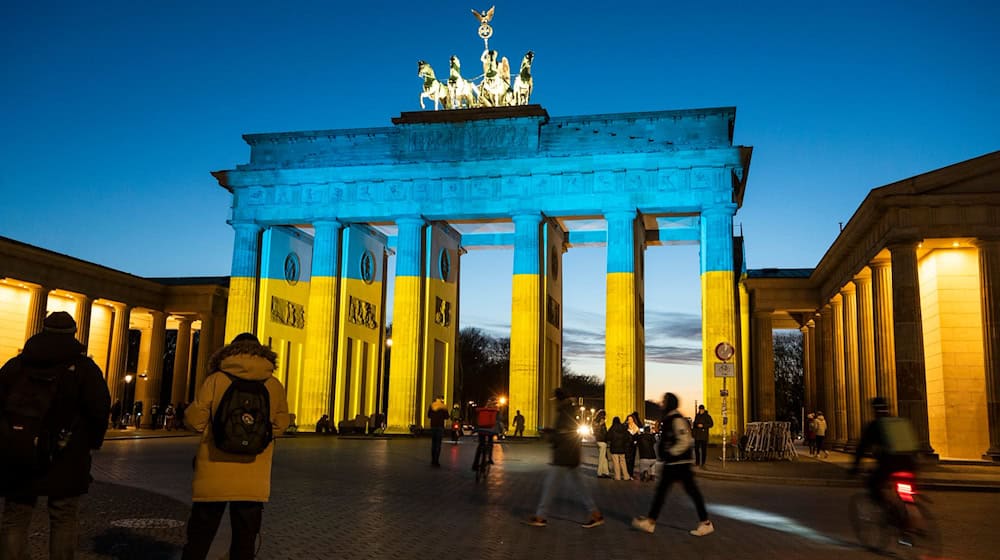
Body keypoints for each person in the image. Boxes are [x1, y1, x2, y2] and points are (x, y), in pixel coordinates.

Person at [0, 311, 111, 559]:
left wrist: (7, 438)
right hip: (67, 452)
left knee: (16, 515)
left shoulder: (17, 364)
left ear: (42, 330)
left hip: (20, 450)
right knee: (63, 517)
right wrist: (91, 442)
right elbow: (99, 408)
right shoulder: (84, 368)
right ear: (74, 333)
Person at [180, 333, 290, 560]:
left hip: (214, 468)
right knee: (245, 541)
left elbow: (194, 421)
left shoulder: (216, 379)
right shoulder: (273, 385)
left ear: (231, 350)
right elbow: (281, 425)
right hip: (253, 473)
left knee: (200, 538)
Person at [632, 392, 714, 537]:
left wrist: (670, 452)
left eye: (664, 401)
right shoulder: (670, 419)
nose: (662, 403)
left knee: (684, 493)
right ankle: (651, 522)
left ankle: (705, 523)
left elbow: (685, 440)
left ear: (670, 403)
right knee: (666, 492)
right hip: (674, 463)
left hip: (679, 463)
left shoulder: (676, 420)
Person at [525, 388, 604, 528]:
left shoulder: (564, 412)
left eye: (554, 400)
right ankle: (595, 513)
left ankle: (541, 516)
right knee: (580, 487)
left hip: (564, 455)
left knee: (550, 487)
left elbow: (565, 433)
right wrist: (552, 431)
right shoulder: (569, 410)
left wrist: (551, 436)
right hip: (571, 455)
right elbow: (567, 431)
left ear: (558, 399)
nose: (553, 403)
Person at [850, 397, 919, 514]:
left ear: (873, 410)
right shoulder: (900, 421)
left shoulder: (875, 425)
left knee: (873, 485)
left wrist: (855, 467)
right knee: (907, 495)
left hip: (890, 464)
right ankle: (914, 518)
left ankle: (891, 511)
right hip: (910, 463)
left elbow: (862, 448)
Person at [471, 399, 499, 471]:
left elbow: (477, 420)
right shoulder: (495, 411)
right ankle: (489, 458)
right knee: (490, 443)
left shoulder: (481, 410)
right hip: (490, 430)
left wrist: (474, 429)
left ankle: (475, 464)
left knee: (480, 445)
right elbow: (498, 422)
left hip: (481, 429)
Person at [607, 416, 631, 481]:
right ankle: (626, 476)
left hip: (614, 448)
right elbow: (627, 437)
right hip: (622, 448)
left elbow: (608, 437)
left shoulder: (612, 428)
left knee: (616, 463)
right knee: (623, 462)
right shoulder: (623, 428)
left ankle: (617, 477)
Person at [427, 396, 449, 467]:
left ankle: (432, 460)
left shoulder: (432, 405)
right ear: (441, 400)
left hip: (433, 426)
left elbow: (429, 415)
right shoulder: (444, 406)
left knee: (433, 443)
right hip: (440, 426)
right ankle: (436, 461)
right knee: (438, 444)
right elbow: (447, 417)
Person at [692, 404, 714, 468]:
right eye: (700, 409)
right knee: (696, 449)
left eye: (702, 409)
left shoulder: (707, 416)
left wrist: (703, 425)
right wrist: (695, 429)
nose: (701, 411)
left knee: (703, 450)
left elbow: (711, 424)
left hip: (704, 436)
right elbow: (694, 424)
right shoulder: (697, 416)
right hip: (697, 436)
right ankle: (697, 462)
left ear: (704, 410)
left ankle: (703, 462)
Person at [593, 410, 611, 478]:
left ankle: (606, 472)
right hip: (603, 441)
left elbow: (595, 432)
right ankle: (599, 473)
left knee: (604, 458)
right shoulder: (602, 421)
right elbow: (604, 433)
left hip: (598, 441)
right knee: (602, 458)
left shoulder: (594, 422)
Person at [625, 412, 641, 479]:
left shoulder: (636, 428)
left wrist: (636, 441)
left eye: (631, 419)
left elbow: (638, 437)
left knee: (632, 460)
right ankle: (627, 474)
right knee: (627, 460)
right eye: (629, 419)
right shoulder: (625, 427)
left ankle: (631, 474)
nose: (630, 420)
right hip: (626, 446)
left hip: (633, 447)